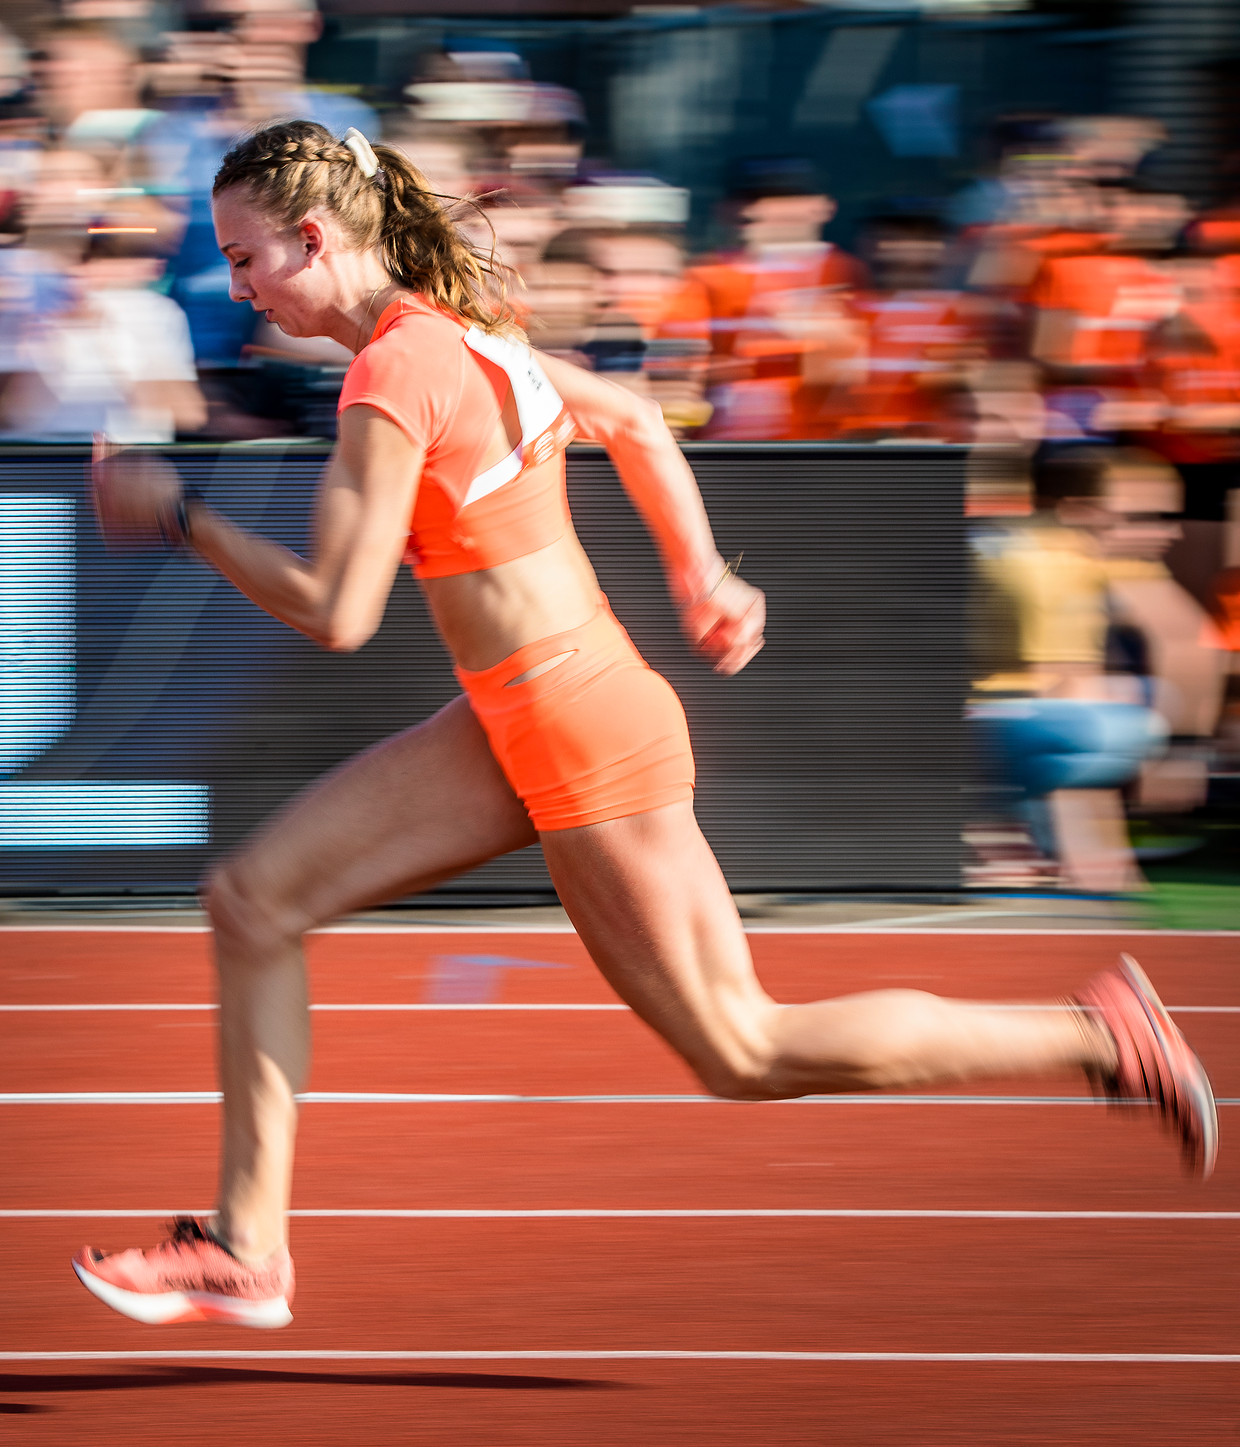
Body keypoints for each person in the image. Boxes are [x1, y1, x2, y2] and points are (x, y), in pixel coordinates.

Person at [72, 121, 1217, 1330]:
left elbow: (337, 608)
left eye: (246, 257)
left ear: (314, 238)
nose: (235, 284)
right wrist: (699, 576)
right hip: (521, 709)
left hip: (575, 722)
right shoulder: (463, 337)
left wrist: (177, 512)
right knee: (253, 901)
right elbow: (630, 416)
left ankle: (1092, 1033)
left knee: (745, 1048)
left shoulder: (397, 370)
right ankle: (248, 1247)